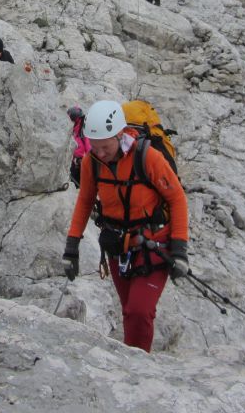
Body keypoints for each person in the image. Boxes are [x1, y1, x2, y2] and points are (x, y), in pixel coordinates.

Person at [62, 100, 189, 353]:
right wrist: (71, 247)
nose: (99, 153)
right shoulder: (91, 162)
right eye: (94, 147)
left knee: (139, 311)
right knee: (129, 310)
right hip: (118, 248)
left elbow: (177, 199)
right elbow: (85, 201)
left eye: (105, 147)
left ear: (120, 135)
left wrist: (180, 250)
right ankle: (136, 360)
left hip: (155, 244)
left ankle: (137, 366)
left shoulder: (148, 158)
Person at [66, 105, 91, 186]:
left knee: (79, 183)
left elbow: (88, 146)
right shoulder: (76, 129)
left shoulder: (83, 130)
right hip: (74, 161)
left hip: (80, 162)